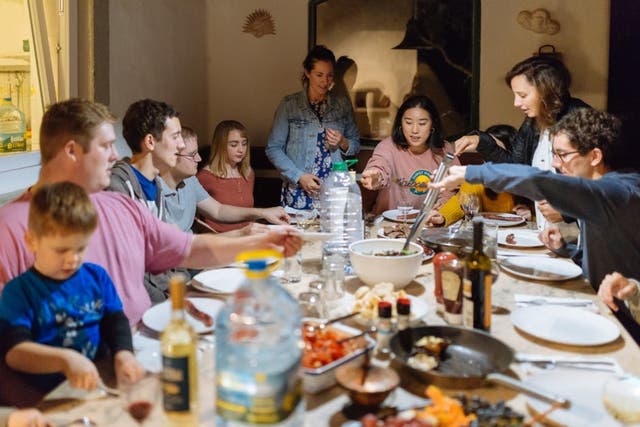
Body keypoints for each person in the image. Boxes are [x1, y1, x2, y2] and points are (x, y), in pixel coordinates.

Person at [0, 98, 302, 326]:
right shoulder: (9, 229)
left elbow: (188, 249)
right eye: (106, 146)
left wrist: (263, 242)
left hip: (149, 340)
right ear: (71, 151)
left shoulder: (119, 207)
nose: (116, 155)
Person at [430, 108, 639, 290]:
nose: (555, 163)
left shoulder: (618, 191)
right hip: (600, 299)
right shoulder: (598, 193)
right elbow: (600, 260)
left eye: (562, 154)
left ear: (594, 156)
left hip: (625, 315)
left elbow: (538, 180)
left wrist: (470, 173)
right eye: (554, 154)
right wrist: (564, 249)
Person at [0, 182, 144, 406]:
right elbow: (15, 353)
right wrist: (65, 360)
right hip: (50, 395)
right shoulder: (19, 292)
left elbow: (115, 320)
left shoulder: (96, 276)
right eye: (61, 250)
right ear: (32, 241)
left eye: (80, 248)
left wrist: (123, 353)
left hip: (100, 377)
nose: (73, 259)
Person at [453, 55, 590, 230]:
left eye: (522, 95)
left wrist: (566, 212)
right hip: (550, 233)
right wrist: (482, 142)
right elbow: (515, 168)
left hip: (582, 235)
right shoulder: (533, 122)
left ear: (545, 90)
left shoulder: (581, 120)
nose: (516, 103)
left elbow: (602, 185)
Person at [266, 45, 360, 209]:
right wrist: (299, 176)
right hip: (299, 188)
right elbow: (273, 148)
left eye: (330, 75)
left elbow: (355, 144)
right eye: (319, 75)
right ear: (307, 72)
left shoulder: (342, 105)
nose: (325, 81)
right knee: (299, 227)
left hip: (334, 188)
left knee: (334, 225)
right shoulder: (289, 105)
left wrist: (343, 142)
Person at [360, 95, 460, 216]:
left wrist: (440, 207)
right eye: (408, 122)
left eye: (422, 123)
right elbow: (379, 165)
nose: (414, 130)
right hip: (388, 222)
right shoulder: (388, 146)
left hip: (428, 222)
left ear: (432, 125)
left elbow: (452, 189)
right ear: (400, 124)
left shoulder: (444, 150)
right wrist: (376, 177)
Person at [192, 122, 289, 233]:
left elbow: (247, 211)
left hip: (248, 235)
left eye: (244, 144)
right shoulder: (205, 177)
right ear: (220, 146)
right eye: (234, 145)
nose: (241, 150)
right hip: (221, 237)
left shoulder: (247, 173)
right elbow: (197, 219)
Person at [431, 124, 531, 226]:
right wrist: (442, 217)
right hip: (485, 233)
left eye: (495, 152)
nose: (489, 158)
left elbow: (539, 212)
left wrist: (531, 215)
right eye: (486, 152)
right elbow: (460, 203)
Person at [108, 98, 185, 220]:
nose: (182, 145)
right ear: (150, 142)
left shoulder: (157, 185)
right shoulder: (117, 185)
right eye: (175, 137)